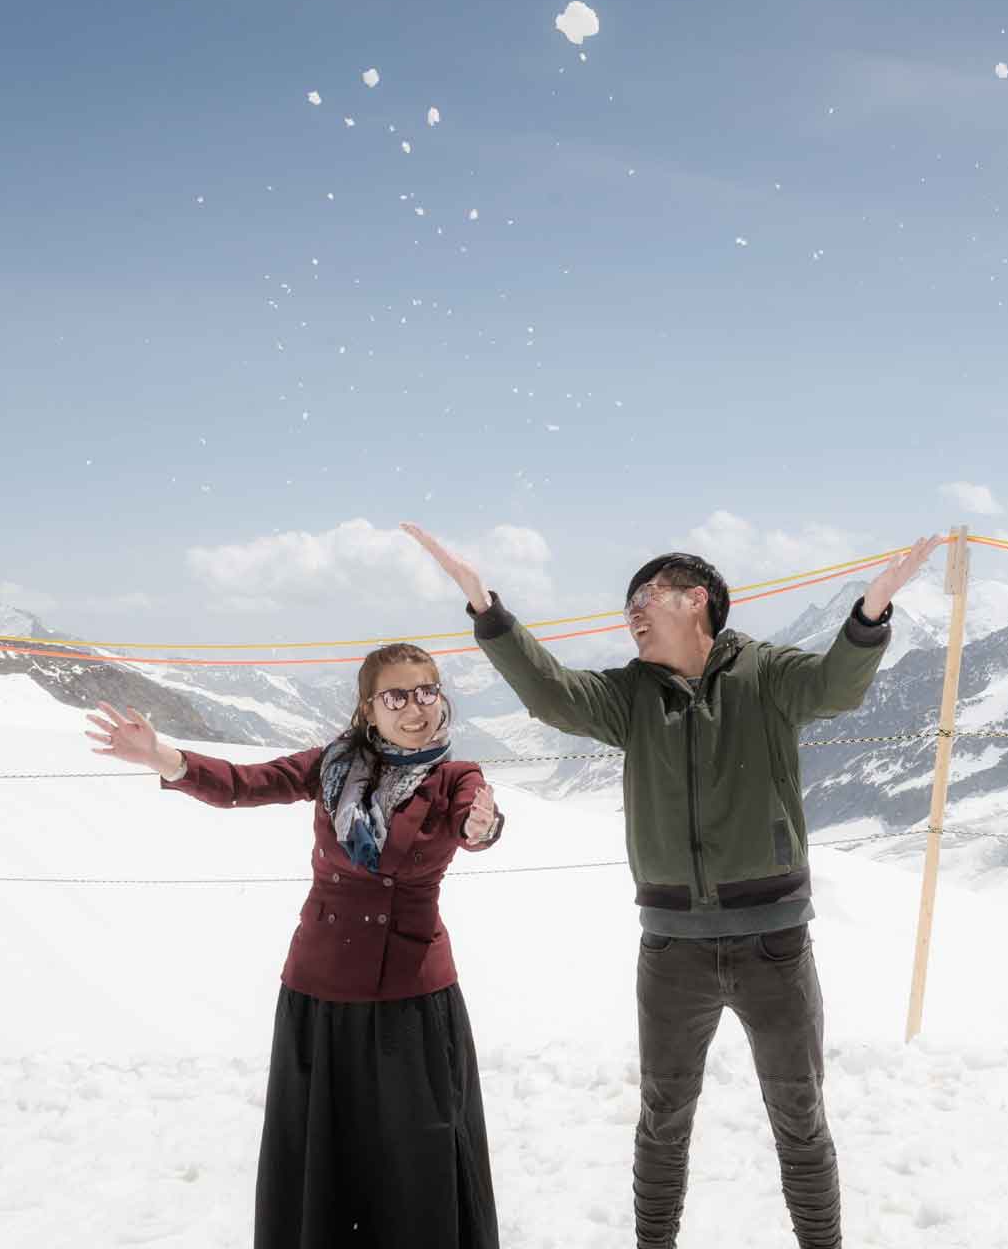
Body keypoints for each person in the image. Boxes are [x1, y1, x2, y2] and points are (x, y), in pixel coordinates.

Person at [404, 522, 944, 1249]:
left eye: (645, 595)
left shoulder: (768, 674)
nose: (631, 610)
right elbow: (553, 696)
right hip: (671, 950)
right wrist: (486, 610)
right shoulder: (631, 696)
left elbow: (834, 688)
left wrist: (870, 612)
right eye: (627, 602)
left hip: (774, 943)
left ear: (697, 601)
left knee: (799, 1115)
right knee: (662, 1119)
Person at [85, 642, 507, 1249]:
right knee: (323, 1148)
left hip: (412, 998)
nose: (415, 708)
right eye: (396, 696)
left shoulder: (455, 777)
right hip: (320, 992)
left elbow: (478, 823)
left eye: (427, 692)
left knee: (418, 1149)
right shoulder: (331, 766)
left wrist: (482, 826)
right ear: (368, 709)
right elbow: (244, 784)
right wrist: (165, 756)